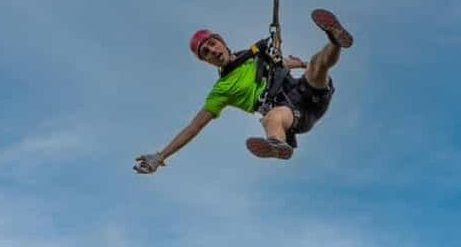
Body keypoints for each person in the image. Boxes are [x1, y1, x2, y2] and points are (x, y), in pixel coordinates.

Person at [133, 9, 353, 174]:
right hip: (290, 114)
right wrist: (160, 156)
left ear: (221, 41)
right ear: (206, 61)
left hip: (304, 92)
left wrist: (300, 64)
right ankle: (277, 145)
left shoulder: (253, 54)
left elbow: (280, 63)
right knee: (272, 118)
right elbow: (194, 127)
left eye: (212, 44)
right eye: (206, 52)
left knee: (317, 64)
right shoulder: (221, 90)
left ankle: (335, 39)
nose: (212, 51)